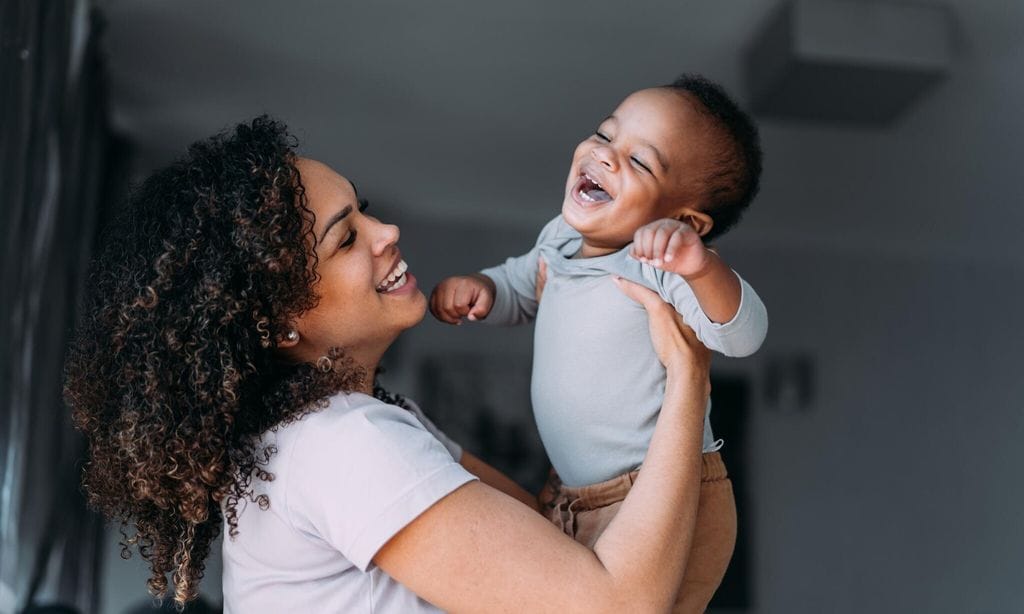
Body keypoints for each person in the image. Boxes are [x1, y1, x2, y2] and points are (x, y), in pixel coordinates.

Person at [64, 117, 715, 613]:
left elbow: (557, 536)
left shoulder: (353, 424)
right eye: (346, 238)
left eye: (365, 210)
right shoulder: (341, 443)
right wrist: (687, 379)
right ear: (277, 323)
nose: (387, 234)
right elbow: (617, 605)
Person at [430, 74, 768, 612]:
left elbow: (745, 335)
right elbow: (522, 288)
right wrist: (486, 289)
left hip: (667, 495)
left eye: (640, 162)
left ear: (682, 220)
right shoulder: (559, 240)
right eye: (605, 134)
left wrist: (700, 267)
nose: (605, 155)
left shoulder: (660, 263)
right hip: (571, 496)